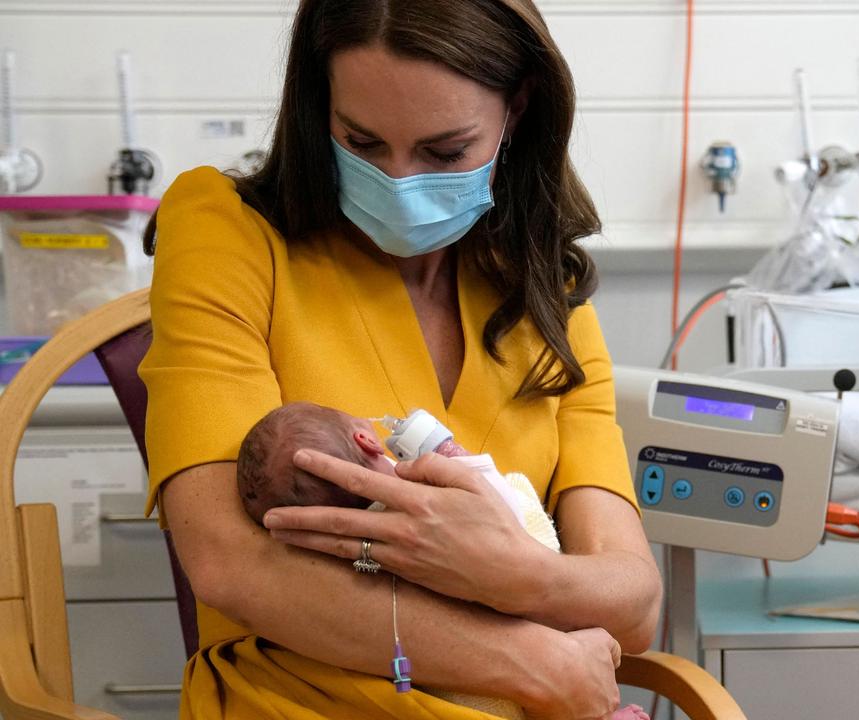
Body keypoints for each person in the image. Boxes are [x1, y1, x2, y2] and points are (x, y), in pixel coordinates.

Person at [138, 1, 663, 718]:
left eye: (445, 153)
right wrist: (532, 657)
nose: (400, 182)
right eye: (362, 142)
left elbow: (633, 604)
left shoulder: (545, 291)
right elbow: (229, 565)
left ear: (518, 108)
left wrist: (508, 573)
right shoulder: (226, 229)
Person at [235, 402, 649, 720]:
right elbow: (515, 514)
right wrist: (456, 459)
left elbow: (639, 612)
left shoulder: (335, 561)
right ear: (367, 441)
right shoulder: (443, 492)